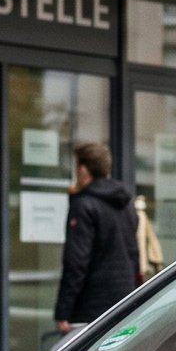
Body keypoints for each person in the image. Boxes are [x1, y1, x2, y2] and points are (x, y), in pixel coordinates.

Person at [54, 141, 139, 332]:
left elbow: (76, 262)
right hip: (123, 303)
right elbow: (133, 254)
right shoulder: (125, 203)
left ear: (84, 170)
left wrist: (63, 311)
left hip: (91, 307)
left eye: (77, 166)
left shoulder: (84, 205)